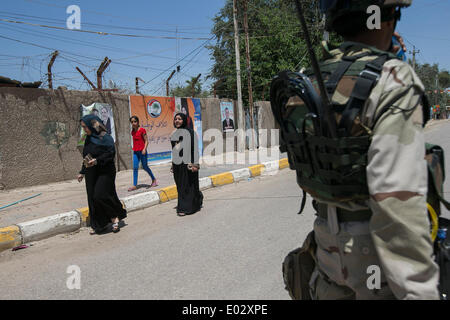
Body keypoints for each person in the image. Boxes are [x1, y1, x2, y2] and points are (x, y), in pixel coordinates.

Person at [274, 0, 440, 299]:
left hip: (326, 250)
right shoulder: (393, 81)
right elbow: (397, 204)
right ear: (388, 19)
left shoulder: (312, 78)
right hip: (378, 264)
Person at [77, 114, 126, 234]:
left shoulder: (105, 137)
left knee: (101, 195)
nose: (84, 129)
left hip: (105, 171)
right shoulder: (89, 138)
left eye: (85, 127)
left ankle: (115, 219)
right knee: (93, 198)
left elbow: (110, 154)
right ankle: (100, 224)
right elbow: (87, 156)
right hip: (92, 172)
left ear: (91, 125)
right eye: (83, 127)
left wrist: (97, 160)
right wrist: (82, 172)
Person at [170, 112, 203, 216]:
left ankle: (185, 207)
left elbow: (195, 149)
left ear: (184, 120)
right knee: (180, 185)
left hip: (188, 163)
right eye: (176, 119)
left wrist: (195, 164)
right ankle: (196, 199)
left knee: (188, 185)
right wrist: (172, 164)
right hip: (177, 164)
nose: (177, 121)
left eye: (179, 119)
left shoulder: (190, 132)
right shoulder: (174, 134)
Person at [128, 116, 158, 192]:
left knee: (145, 167)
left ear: (138, 122)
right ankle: (135, 185)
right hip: (135, 152)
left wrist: (144, 149)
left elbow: (146, 141)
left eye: (135, 121)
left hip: (142, 151)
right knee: (135, 167)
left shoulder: (142, 130)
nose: (133, 123)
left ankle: (154, 179)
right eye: (132, 122)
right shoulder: (132, 132)